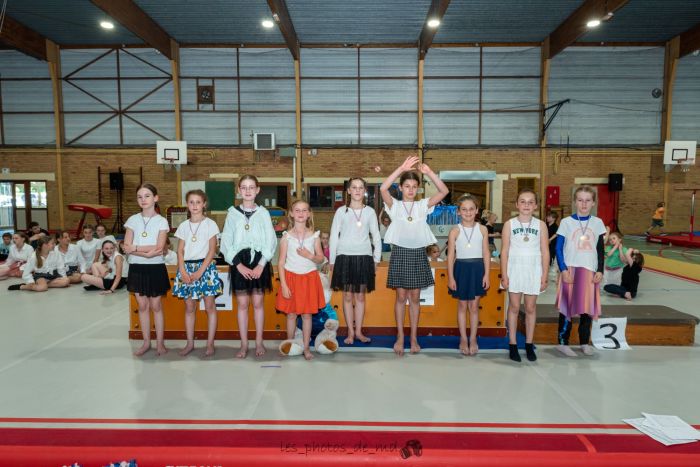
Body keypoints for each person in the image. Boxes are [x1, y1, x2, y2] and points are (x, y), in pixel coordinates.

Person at [380, 155, 449, 356]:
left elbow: (444, 191)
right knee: (401, 297)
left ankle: (414, 337)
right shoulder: (395, 206)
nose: (410, 189)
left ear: (418, 188)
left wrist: (430, 173)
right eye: (406, 185)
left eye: (414, 186)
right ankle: (401, 337)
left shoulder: (422, 206)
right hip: (400, 253)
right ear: (401, 188)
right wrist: (400, 169)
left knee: (416, 297)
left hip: (418, 253)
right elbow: (383, 188)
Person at [220, 175, 277, 358]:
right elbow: (225, 242)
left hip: (259, 260)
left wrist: (261, 264)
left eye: (251, 187)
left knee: (258, 303)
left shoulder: (264, 213)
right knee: (243, 304)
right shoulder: (232, 213)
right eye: (244, 187)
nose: (247, 190)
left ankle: (259, 342)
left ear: (257, 190)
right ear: (238, 190)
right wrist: (238, 265)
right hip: (239, 262)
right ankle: (244, 344)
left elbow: (271, 241)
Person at [328, 177, 382, 345]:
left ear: (364, 191)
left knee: (360, 297)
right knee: (347, 296)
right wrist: (332, 260)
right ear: (349, 191)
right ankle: (350, 333)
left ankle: (359, 332)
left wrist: (376, 259)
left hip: (364, 257)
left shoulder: (370, 212)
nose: (357, 190)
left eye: (360, 187)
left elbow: (376, 237)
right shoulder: (340, 212)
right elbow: (333, 237)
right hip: (344, 257)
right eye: (354, 187)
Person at [555, 185, 606, 357]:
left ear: (593, 203)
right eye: (580, 200)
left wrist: (600, 270)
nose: (583, 204)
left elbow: (600, 249)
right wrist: (563, 270)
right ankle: (562, 342)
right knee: (567, 308)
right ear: (575, 202)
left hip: (590, 271)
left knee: (587, 309)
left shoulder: (598, 223)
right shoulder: (566, 222)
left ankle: (584, 342)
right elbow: (558, 248)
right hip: (570, 269)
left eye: (587, 200)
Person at [500, 189, 549, 362]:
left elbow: (545, 251)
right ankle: (512, 344)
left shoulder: (541, 225)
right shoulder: (509, 224)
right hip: (515, 268)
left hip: (533, 268)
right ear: (517, 204)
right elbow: (504, 251)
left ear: (535, 205)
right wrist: (504, 274)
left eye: (530, 202)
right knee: (513, 307)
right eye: (523, 201)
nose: (526, 205)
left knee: (530, 308)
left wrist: (545, 275)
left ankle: (529, 344)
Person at [122, 183, 170, 357]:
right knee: (142, 306)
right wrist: (143, 252)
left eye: (147, 196)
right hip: (137, 268)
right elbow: (126, 246)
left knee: (156, 305)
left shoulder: (161, 221)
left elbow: (159, 247)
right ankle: (146, 342)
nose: (143, 199)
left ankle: (160, 343)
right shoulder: (132, 220)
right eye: (140, 197)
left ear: (155, 198)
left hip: (155, 267)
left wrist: (135, 249)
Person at [172, 190, 222, 357]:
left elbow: (212, 250)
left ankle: (210, 344)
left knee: (209, 306)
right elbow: (179, 251)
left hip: (205, 268)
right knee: (189, 307)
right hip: (186, 268)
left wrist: (201, 271)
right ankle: (190, 343)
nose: (194, 205)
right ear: (187, 205)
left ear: (204, 204)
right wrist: (183, 272)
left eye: (198, 202)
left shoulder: (210, 224)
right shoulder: (183, 226)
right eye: (191, 202)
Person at [275, 199, 326, 361]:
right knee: (291, 314)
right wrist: (283, 284)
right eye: (297, 210)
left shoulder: (315, 236)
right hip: (290, 278)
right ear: (291, 213)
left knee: (306, 315)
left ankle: (305, 347)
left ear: (309, 213)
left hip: (309, 278)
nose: (301, 213)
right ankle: (289, 343)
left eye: (304, 210)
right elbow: (281, 263)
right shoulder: (286, 237)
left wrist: (309, 255)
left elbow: (320, 259)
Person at [446, 195, 490, 356]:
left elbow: (486, 252)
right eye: (464, 209)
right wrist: (451, 277)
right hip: (461, 269)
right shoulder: (455, 231)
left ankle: (473, 339)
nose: (468, 212)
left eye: (471, 209)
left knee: (474, 306)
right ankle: (463, 338)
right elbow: (450, 256)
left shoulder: (482, 229)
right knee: (462, 305)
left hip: (477, 269)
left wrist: (487, 274)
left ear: (477, 211)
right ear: (458, 212)